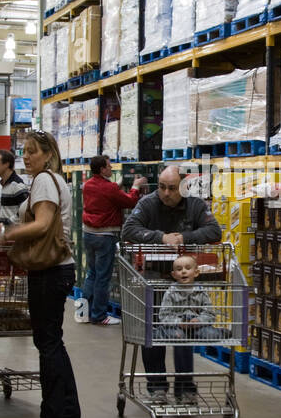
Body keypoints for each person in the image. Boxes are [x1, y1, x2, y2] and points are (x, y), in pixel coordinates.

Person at [121, 165, 221, 397]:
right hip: (153, 280)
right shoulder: (148, 203)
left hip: (184, 283)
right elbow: (128, 230)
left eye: (172, 188)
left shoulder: (194, 204)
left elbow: (214, 231)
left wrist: (184, 237)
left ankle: (185, 387)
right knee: (153, 332)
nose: (166, 193)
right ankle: (157, 386)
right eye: (163, 188)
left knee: (183, 332)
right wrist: (161, 238)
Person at [3, 130, 80, 418]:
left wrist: (9, 233)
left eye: (33, 151)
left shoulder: (45, 180)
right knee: (53, 342)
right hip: (59, 269)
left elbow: (43, 223)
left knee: (46, 343)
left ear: (48, 154)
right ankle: (67, 410)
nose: (26, 156)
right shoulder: (57, 180)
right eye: (24, 151)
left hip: (49, 270)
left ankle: (53, 417)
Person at [81, 155, 146, 326]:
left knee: (91, 274)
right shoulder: (109, 188)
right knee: (103, 277)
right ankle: (99, 316)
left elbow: (105, 194)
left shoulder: (87, 185)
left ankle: (84, 312)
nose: (111, 169)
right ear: (102, 169)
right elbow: (130, 201)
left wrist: (118, 185)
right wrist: (135, 187)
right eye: (109, 166)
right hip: (104, 236)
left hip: (88, 234)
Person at [159, 254, 225, 342]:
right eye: (179, 269)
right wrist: (179, 322)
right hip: (177, 326)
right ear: (174, 275)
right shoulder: (170, 292)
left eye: (188, 268)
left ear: (196, 272)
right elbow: (164, 316)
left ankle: (219, 332)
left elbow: (209, 314)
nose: (183, 271)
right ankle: (160, 332)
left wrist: (199, 321)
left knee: (212, 335)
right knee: (178, 336)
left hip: (197, 326)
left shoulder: (201, 291)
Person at [0, 149, 29, 227]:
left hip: (14, 234)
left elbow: (25, 211)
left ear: (6, 164)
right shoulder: (6, 184)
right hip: (8, 233)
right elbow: (3, 204)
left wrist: (8, 223)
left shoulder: (17, 185)